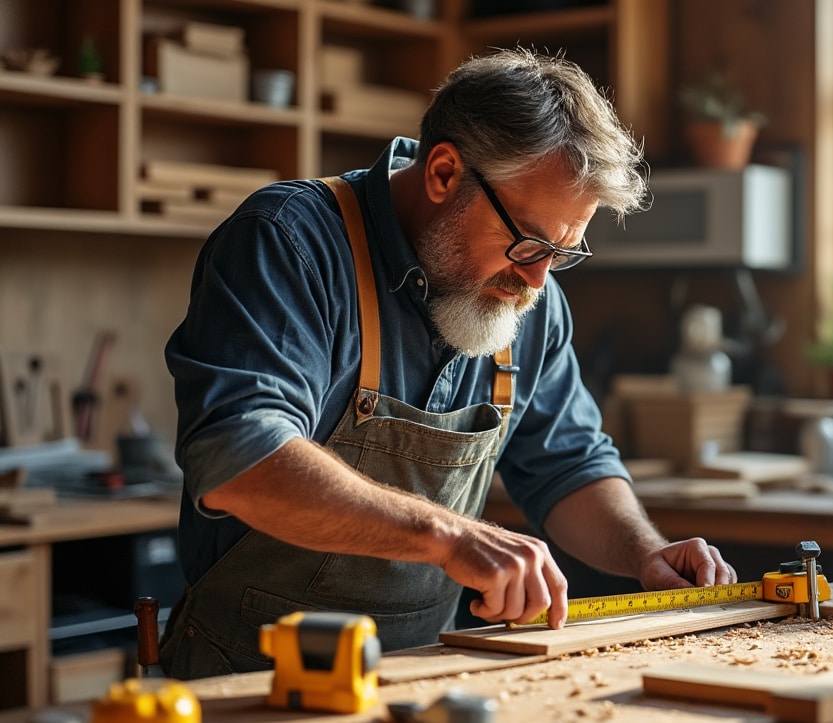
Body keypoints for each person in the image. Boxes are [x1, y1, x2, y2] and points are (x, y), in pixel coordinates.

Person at [160, 49, 738, 679]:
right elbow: (241, 458)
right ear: (442, 173)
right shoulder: (289, 243)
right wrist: (451, 536)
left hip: (425, 675)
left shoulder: (527, 298)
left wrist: (644, 552)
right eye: (528, 240)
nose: (537, 280)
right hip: (248, 676)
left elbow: (567, 465)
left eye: (562, 253)